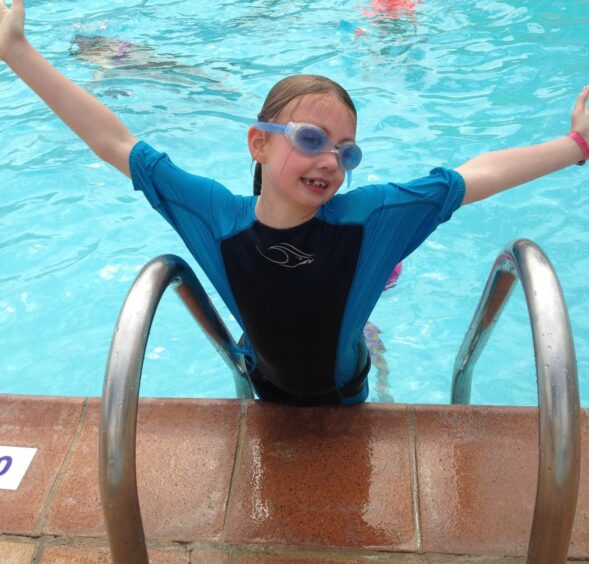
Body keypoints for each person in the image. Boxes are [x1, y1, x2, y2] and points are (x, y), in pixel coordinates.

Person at [1, 0, 588, 406]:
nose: (331, 160)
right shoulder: (217, 218)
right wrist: (17, 51)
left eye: (346, 151)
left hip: (345, 399)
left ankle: (372, 342)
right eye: (311, 139)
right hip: (265, 390)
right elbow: (116, 142)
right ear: (258, 143)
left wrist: (577, 145)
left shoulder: (370, 219)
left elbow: (468, 177)